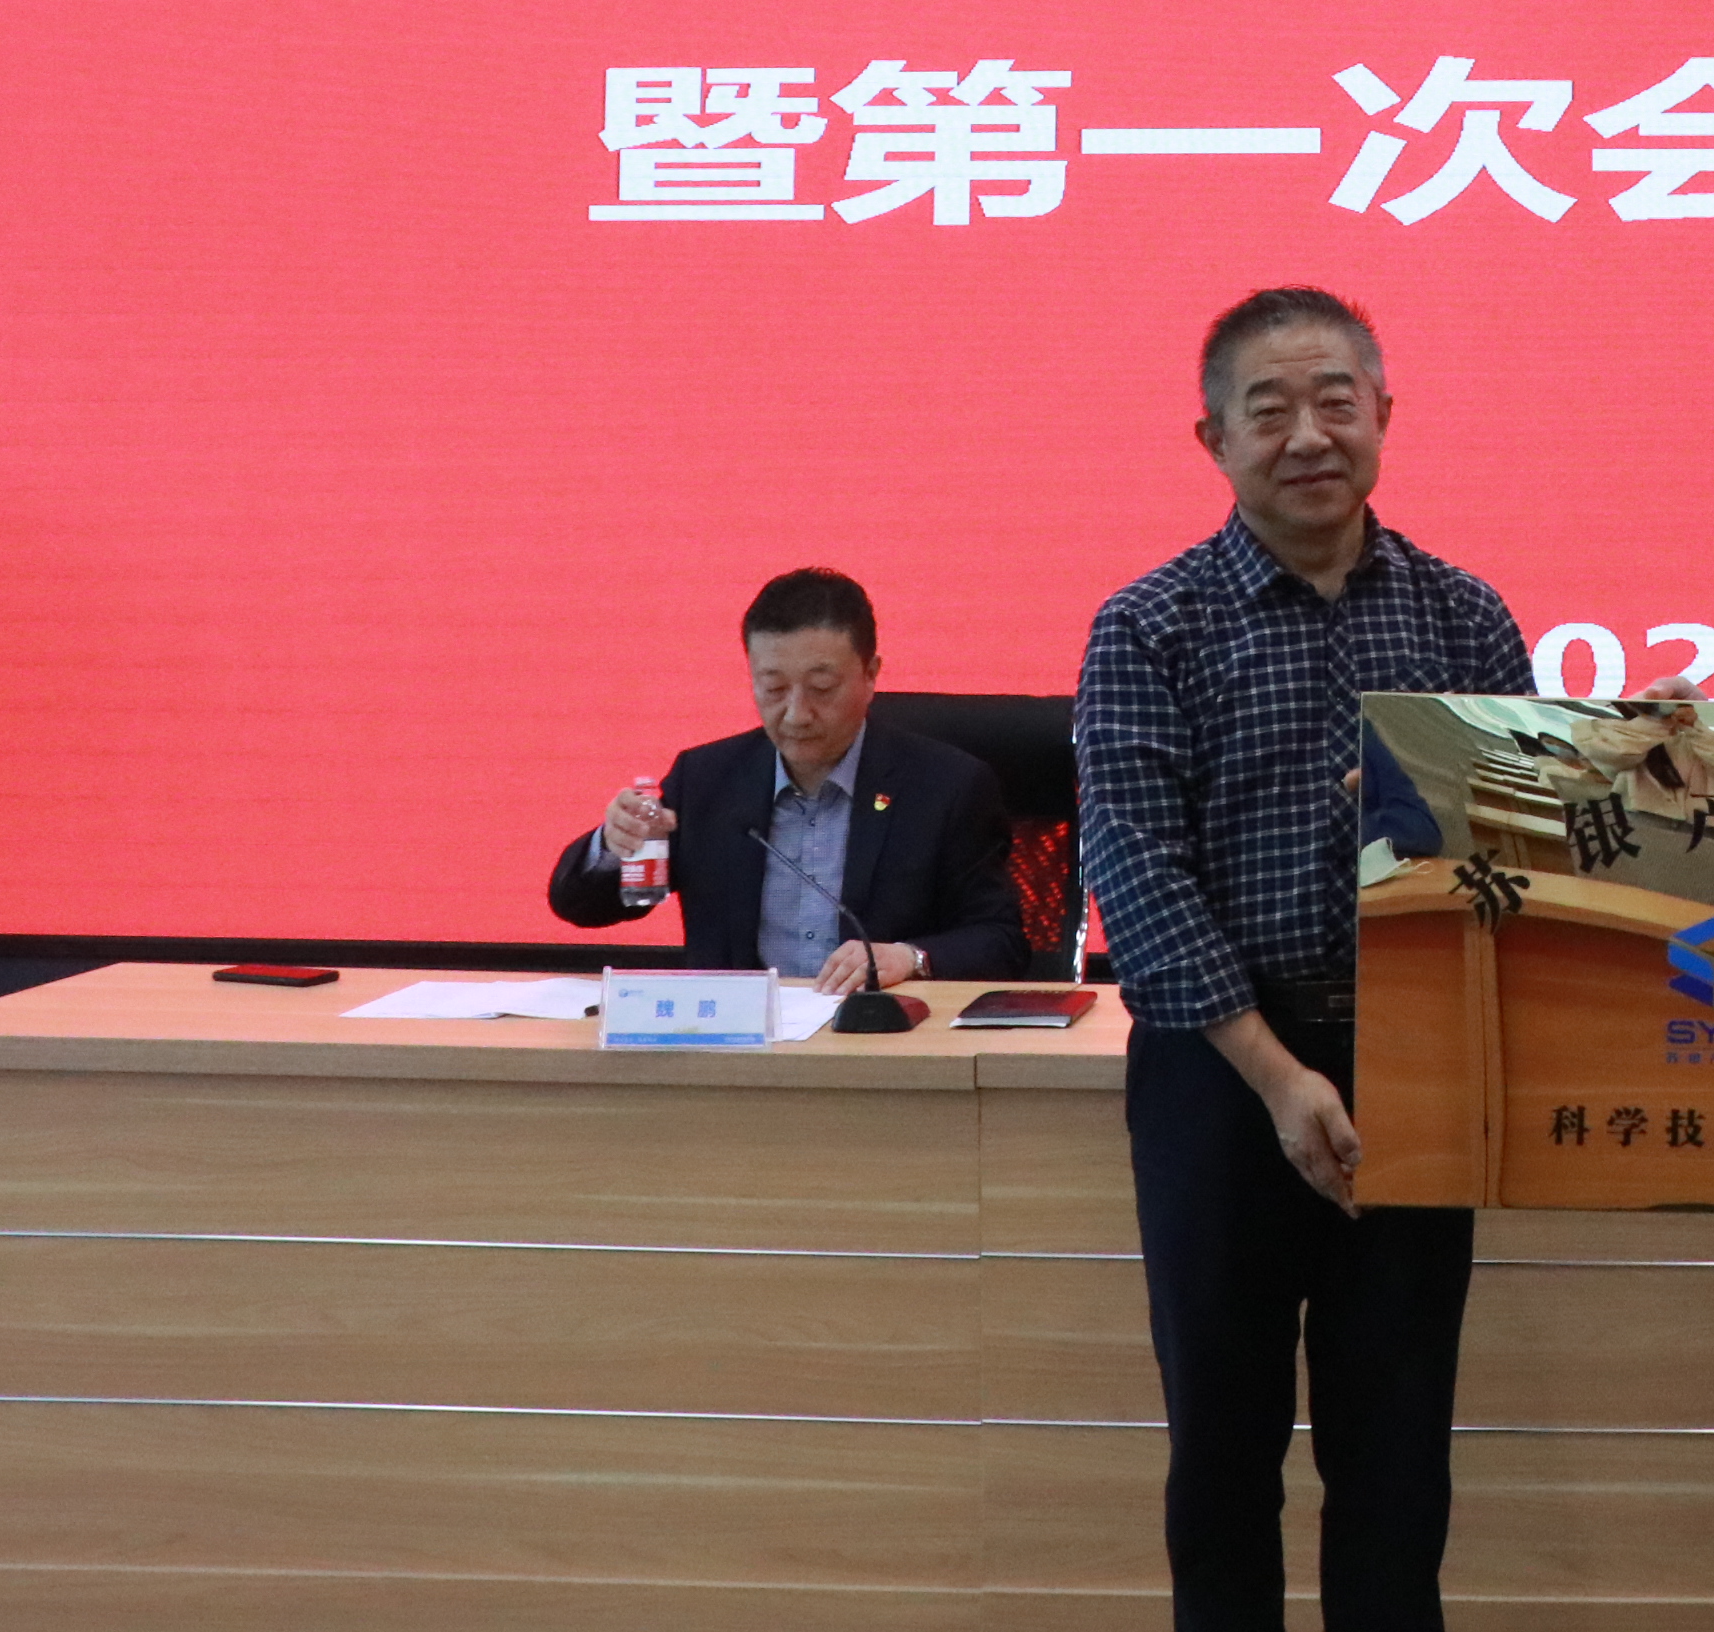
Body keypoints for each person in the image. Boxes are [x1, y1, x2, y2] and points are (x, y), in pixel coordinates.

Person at [1075, 286, 1531, 1632]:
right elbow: (1137, 875)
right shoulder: (1149, 625)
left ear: (1385, 414)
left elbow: (1532, 860)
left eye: (1337, 401)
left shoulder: (1466, 618)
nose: (1309, 435)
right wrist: (1278, 1077)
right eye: (1268, 410)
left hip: (1418, 1065)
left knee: (1398, 1456)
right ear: (1211, 437)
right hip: (1220, 1079)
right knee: (1223, 1454)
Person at [545, 567, 1026, 992]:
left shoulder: (946, 787)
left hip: (878, 1038)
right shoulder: (707, 779)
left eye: (822, 688)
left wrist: (909, 958)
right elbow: (580, 906)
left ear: (871, 675)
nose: (796, 714)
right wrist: (614, 844)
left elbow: (1000, 941)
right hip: (739, 1044)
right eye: (773, 688)